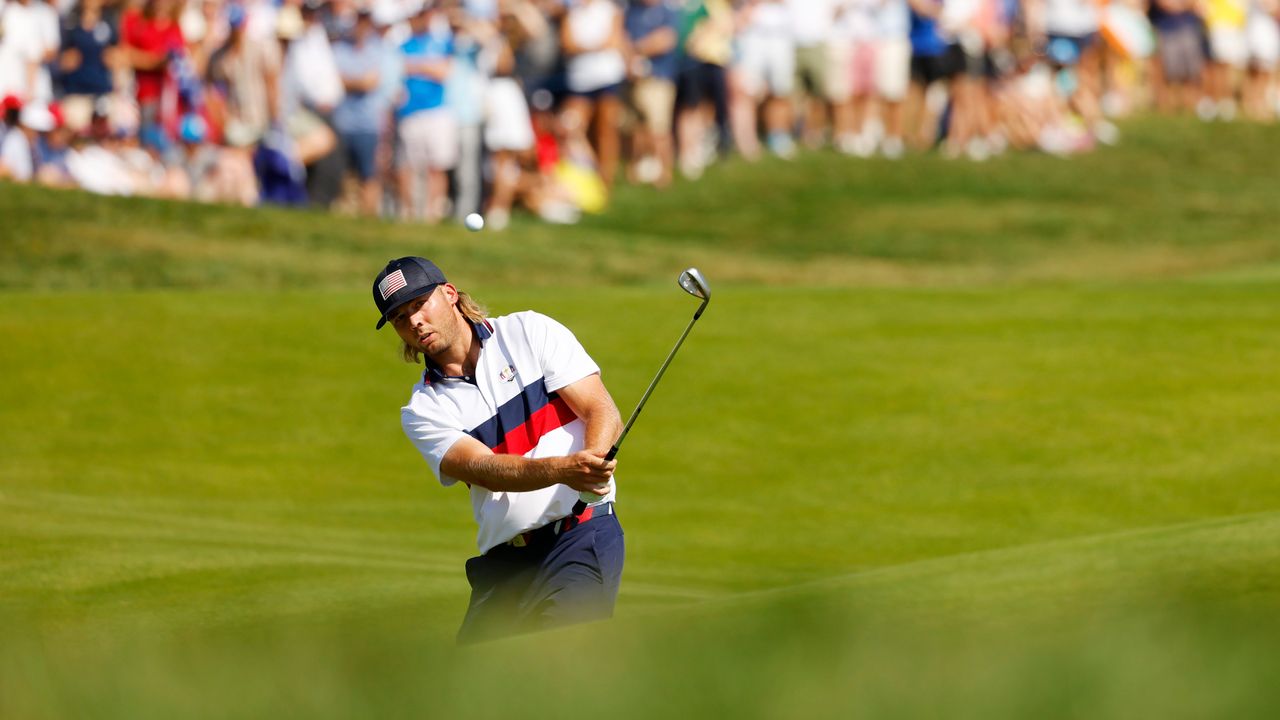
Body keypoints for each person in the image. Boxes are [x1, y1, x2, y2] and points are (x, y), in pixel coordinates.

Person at [372, 256, 624, 644]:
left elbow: (599, 409)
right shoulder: (423, 409)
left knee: (559, 662)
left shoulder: (529, 331)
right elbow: (485, 468)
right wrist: (565, 469)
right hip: (505, 564)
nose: (414, 322)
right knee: (473, 688)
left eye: (419, 305)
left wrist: (592, 465)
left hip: (579, 536)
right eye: (400, 318)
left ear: (450, 294)